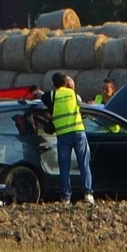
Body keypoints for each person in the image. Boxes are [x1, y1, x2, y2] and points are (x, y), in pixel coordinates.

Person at [41, 72, 94, 205]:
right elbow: (81, 108)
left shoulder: (52, 95)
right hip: (78, 132)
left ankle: (66, 197)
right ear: (67, 83)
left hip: (63, 135)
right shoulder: (74, 95)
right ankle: (88, 194)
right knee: (84, 164)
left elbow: (43, 98)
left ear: (53, 85)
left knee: (64, 167)